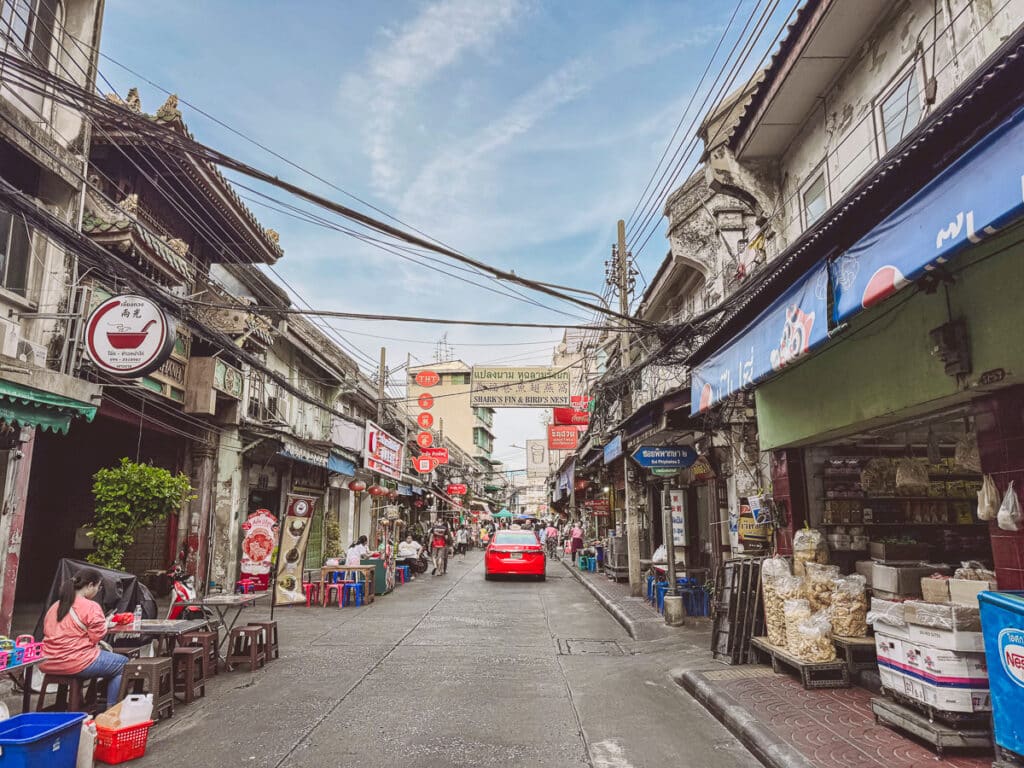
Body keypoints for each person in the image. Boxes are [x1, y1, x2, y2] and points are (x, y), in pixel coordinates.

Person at [40, 567, 127, 706]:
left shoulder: (55, 605)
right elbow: (97, 637)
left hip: (48, 661)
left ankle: (76, 704)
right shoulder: (91, 606)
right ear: (90, 585)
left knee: (107, 659)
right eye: (98, 587)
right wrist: (105, 624)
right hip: (75, 662)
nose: (97, 591)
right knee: (124, 664)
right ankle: (112, 712)